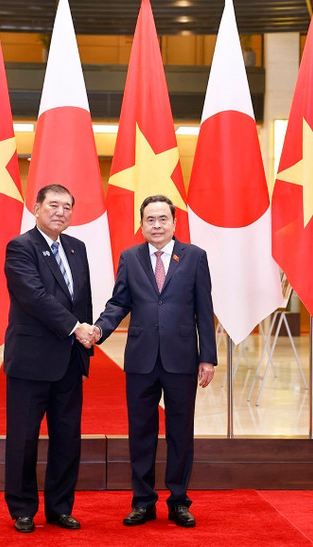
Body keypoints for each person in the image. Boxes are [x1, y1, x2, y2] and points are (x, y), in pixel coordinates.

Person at [89, 195, 216, 528]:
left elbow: (204, 310)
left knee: (180, 432)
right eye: (150, 219)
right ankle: (143, 502)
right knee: (141, 433)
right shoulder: (130, 258)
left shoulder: (194, 257)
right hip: (141, 360)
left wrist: (209, 358)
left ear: (174, 223)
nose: (156, 225)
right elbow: (119, 303)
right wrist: (99, 329)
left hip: (182, 359)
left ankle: (178, 501)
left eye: (163, 219)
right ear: (141, 224)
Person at [3, 184, 96, 533]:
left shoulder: (77, 248)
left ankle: (60, 508)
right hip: (31, 361)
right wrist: (76, 328)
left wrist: (88, 333)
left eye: (67, 207)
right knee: (23, 438)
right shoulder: (21, 247)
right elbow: (35, 297)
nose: (60, 212)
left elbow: (81, 299)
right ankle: (23, 508)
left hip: (70, 360)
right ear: (37, 207)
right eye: (53, 205)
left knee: (67, 438)